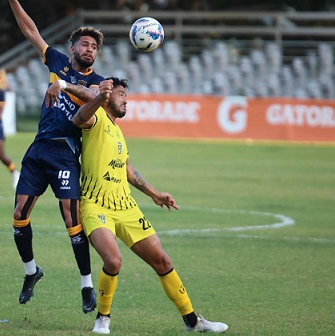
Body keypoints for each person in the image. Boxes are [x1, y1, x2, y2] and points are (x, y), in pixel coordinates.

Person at [72, 78, 229, 334]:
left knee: (163, 261)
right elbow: (78, 119)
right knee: (113, 261)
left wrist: (155, 194)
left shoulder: (118, 131)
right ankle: (103, 319)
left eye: (127, 97)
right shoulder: (96, 119)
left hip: (126, 207)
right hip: (96, 206)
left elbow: (126, 169)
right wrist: (98, 98)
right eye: (122, 95)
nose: (126, 100)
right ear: (109, 96)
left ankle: (193, 322)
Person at [8, 0, 105, 313]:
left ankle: (86, 284)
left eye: (94, 47)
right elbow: (31, 31)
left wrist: (63, 85)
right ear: (73, 46)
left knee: (71, 218)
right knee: (18, 215)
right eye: (85, 44)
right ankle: (31, 272)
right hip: (38, 148)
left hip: (65, 153)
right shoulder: (57, 61)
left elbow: (94, 97)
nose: (89, 49)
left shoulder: (96, 82)